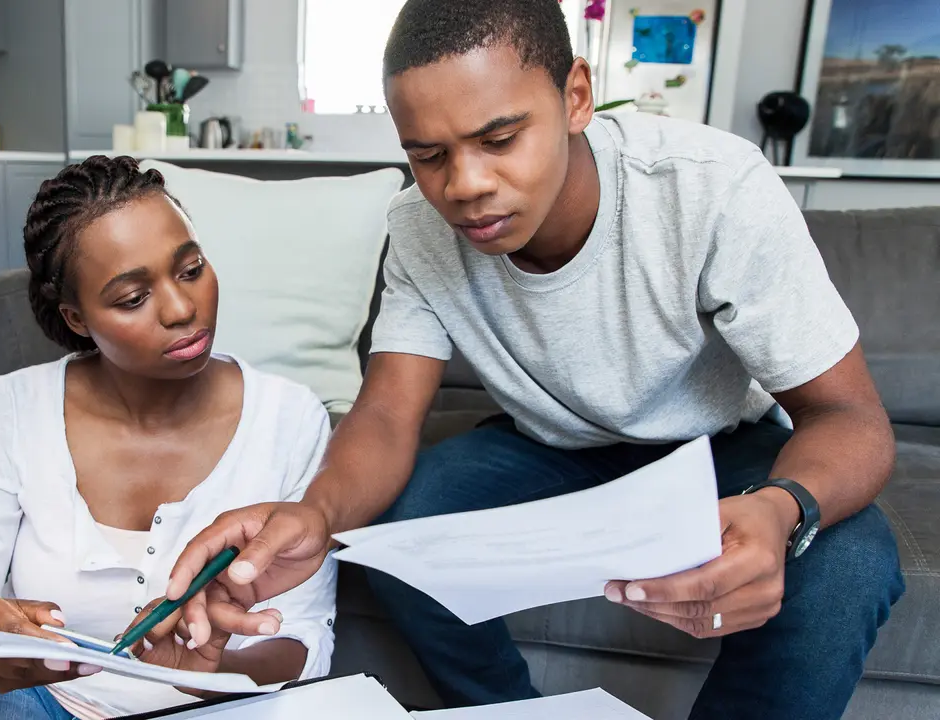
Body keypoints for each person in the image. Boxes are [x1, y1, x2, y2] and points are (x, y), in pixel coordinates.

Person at [161, 1, 905, 718]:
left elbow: (850, 417)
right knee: (396, 521)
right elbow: (387, 411)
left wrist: (782, 510)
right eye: (429, 155)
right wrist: (315, 514)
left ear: (576, 97)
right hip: (549, 447)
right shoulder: (421, 227)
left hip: (717, 447)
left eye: (500, 138)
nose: (466, 187)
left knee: (852, 561)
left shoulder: (712, 189)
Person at [0, 156, 337, 720]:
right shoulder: (14, 409)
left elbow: (302, 640)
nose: (181, 309)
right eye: (132, 298)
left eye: (191, 268)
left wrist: (210, 677)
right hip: (49, 704)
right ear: (76, 317)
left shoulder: (289, 417)